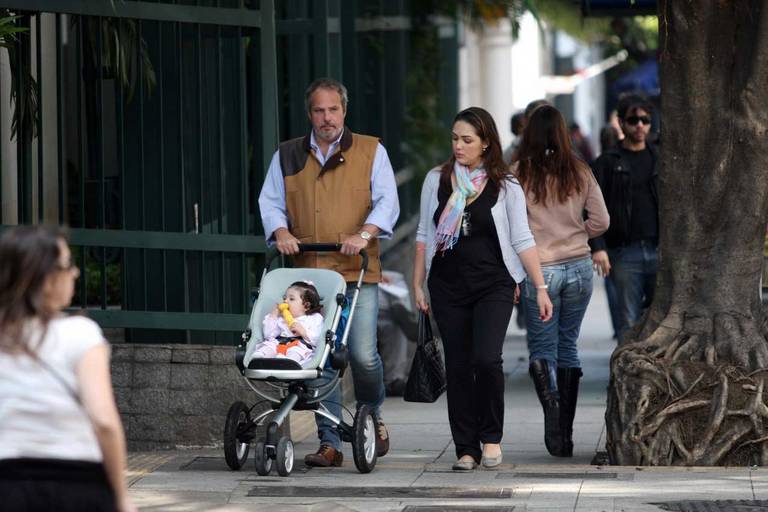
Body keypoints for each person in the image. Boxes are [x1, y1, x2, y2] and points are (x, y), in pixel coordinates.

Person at [258, 77, 400, 468]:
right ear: (310, 114)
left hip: (356, 272)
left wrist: (365, 233)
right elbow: (270, 202)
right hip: (311, 279)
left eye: (333, 109)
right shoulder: (287, 155)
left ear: (344, 111)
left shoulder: (371, 151)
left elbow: (387, 200)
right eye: (319, 110)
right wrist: (282, 231)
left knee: (362, 355)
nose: (326, 117)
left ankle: (372, 414)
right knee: (321, 357)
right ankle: (330, 442)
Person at [412, 107, 553, 471]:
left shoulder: (506, 186)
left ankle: (491, 437)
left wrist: (539, 285)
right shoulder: (436, 180)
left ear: (486, 143)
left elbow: (522, 238)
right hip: (447, 285)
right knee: (458, 366)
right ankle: (466, 447)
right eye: (455, 139)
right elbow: (425, 234)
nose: (458, 146)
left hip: (494, 284)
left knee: (486, 360)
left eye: (467, 140)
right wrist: (418, 282)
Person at [0, 225, 136, 512]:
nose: (75, 273)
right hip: (77, 483)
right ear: (46, 277)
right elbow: (104, 422)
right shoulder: (81, 333)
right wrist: (122, 498)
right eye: (68, 265)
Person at [515, 105, 610, 457]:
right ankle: (564, 436)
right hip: (579, 267)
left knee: (542, 350)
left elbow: (512, 227)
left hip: (540, 269)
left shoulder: (518, 174)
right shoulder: (579, 170)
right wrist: (578, 234)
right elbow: (602, 220)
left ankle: (553, 417)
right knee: (568, 345)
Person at [591, 93, 659, 340]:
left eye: (645, 120)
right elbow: (591, 208)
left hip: (658, 248)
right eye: (633, 120)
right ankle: (627, 376)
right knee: (627, 321)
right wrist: (598, 247)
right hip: (624, 251)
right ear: (621, 123)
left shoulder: (659, 158)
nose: (640, 125)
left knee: (659, 320)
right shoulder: (607, 163)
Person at [254, 281, 324, 365]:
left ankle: (288, 362)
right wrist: (273, 316)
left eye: (291, 299)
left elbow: (318, 340)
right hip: (279, 342)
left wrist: (303, 332)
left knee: (296, 350)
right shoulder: (281, 318)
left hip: (300, 344)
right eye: (284, 298)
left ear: (306, 306)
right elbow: (268, 335)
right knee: (270, 345)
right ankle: (260, 358)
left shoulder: (314, 318)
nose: (285, 301)